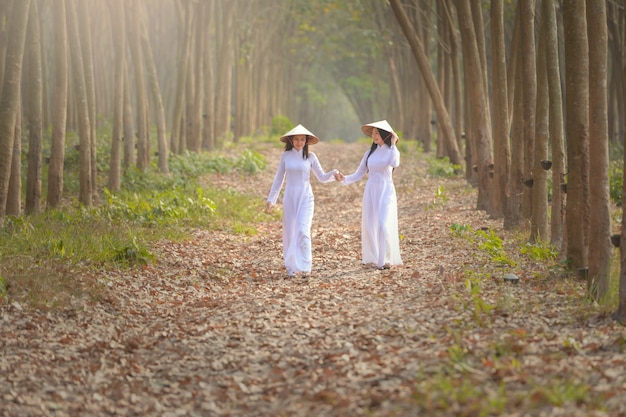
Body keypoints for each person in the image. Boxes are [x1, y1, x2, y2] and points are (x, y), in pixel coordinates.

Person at [266, 124, 339, 278]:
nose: (299, 142)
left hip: (306, 197)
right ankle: (292, 267)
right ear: (291, 140)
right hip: (290, 198)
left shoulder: (311, 157)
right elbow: (279, 179)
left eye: (302, 139)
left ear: (307, 141)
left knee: (303, 230)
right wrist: (271, 199)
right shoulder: (286, 156)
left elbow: (322, 177)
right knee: (290, 232)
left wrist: (334, 173)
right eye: (296, 139)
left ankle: (306, 266)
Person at [335, 120, 403, 270]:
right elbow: (359, 173)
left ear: (385, 135)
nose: (374, 135)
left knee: (382, 224)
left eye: (377, 133)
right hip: (371, 189)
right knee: (371, 224)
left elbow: (395, 163)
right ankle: (374, 257)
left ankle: (385, 259)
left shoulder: (391, 151)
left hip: (386, 190)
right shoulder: (369, 153)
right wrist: (344, 178)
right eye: (373, 133)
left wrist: (394, 143)